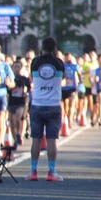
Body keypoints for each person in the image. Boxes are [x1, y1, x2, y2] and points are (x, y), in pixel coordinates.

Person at [27, 37, 65, 182]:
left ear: (42, 48)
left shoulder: (35, 62)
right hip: (54, 104)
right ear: (55, 49)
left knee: (35, 139)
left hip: (37, 103)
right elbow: (63, 78)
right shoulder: (59, 63)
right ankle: (51, 171)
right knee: (51, 140)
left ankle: (33, 171)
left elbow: (32, 76)